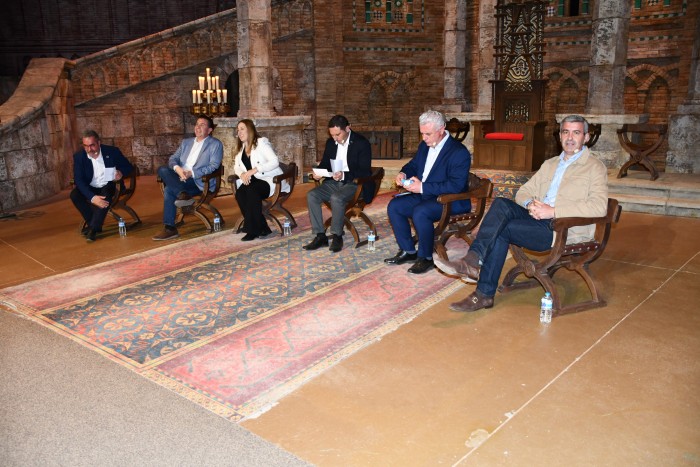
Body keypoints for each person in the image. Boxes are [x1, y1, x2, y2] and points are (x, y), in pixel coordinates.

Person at [434, 114, 609, 312]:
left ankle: (482, 293)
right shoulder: (550, 164)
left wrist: (553, 211)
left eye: (576, 132)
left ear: (585, 137)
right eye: (565, 132)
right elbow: (524, 191)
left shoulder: (595, 167)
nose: (570, 137)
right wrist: (530, 205)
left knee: (501, 230)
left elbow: (599, 206)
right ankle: (473, 261)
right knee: (500, 204)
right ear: (559, 136)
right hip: (537, 219)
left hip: (562, 228)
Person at [384, 110, 472, 274]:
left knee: (421, 212)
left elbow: (456, 186)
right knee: (395, 206)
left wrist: (422, 187)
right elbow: (413, 165)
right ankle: (408, 251)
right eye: (422, 133)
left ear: (441, 129)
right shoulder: (424, 145)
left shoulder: (459, 152)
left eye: (428, 134)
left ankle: (426, 258)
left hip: (452, 200)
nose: (424, 138)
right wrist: (403, 173)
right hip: (427, 195)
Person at [303, 115, 373, 253]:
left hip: (354, 184)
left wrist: (344, 174)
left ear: (348, 128)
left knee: (337, 197)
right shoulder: (331, 143)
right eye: (332, 135)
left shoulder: (361, 143)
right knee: (312, 195)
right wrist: (319, 173)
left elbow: (364, 170)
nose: (335, 138)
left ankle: (337, 235)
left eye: (337, 134)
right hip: (334, 182)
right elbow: (325, 164)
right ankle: (320, 235)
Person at [152, 114, 224, 241]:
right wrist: (178, 169)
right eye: (197, 124)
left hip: (198, 181)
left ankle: (170, 228)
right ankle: (182, 193)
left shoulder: (215, 144)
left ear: (209, 130)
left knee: (169, 190)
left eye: (202, 125)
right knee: (162, 169)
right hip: (180, 177)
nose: (198, 127)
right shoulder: (186, 142)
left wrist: (192, 173)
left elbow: (214, 166)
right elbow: (173, 159)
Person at [70, 130, 134, 243]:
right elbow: (78, 180)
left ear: (99, 143)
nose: (89, 149)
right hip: (91, 186)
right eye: (86, 146)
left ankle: (93, 229)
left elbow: (128, 167)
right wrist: (92, 197)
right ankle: (93, 223)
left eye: (92, 145)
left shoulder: (112, 151)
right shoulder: (79, 157)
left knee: (106, 193)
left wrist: (121, 173)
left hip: (110, 184)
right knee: (74, 195)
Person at [232, 119, 288, 241]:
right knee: (240, 193)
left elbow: (274, 161)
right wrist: (242, 174)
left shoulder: (261, 143)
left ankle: (252, 230)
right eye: (238, 130)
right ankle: (262, 228)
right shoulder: (241, 148)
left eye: (242, 129)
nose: (239, 132)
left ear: (250, 129)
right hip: (252, 181)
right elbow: (236, 167)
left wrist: (255, 170)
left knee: (252, 191)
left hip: (269, 179)